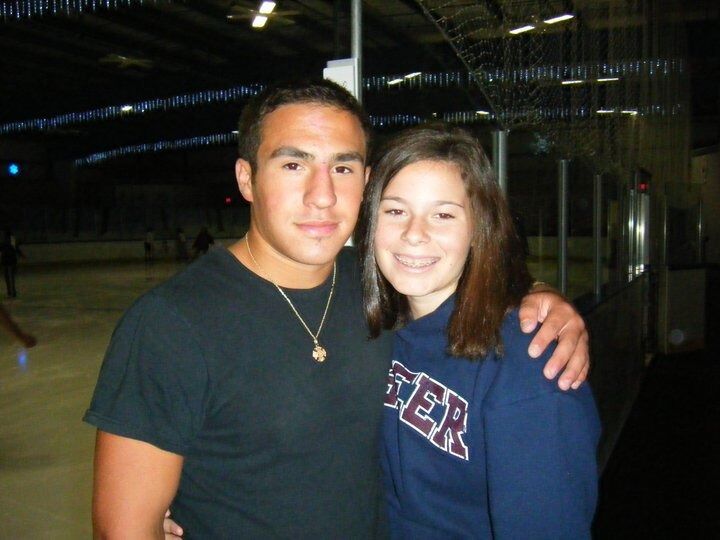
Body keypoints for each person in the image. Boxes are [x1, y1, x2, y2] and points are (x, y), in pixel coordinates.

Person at [85, 80, 589, 539]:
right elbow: (124, 530)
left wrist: (538, 297)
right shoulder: (171, 325)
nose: (322, 196)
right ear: (246, 178)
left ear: (365, 181)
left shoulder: (377, 291)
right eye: (293, 164)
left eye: (342, 167)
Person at [355, 123, 599, 537]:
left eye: (443, 214)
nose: (414, 234)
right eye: (395, 210)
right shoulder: (376, 328)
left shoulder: (530, 362)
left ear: (478, 229)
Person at [1, 230, 21, 298]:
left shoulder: (4, 241)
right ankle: (12, 292)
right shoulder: (12, 241)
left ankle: (10, 292)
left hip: (6, 261)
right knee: (11, 278)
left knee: (8, 278)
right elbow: (17, 249)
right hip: (11, 261)